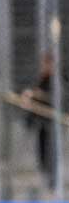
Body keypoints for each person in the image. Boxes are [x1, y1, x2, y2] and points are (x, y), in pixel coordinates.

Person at [23, 53, 57, 191]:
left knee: (51, 153)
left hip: (52, 124)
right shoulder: (42, 79)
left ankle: (53, 182)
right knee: (43, 152)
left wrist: (36, 95)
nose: (44, 67)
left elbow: (55, 98)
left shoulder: (55, 80)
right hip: (42, 124)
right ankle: (47, 178)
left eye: (47, 63)